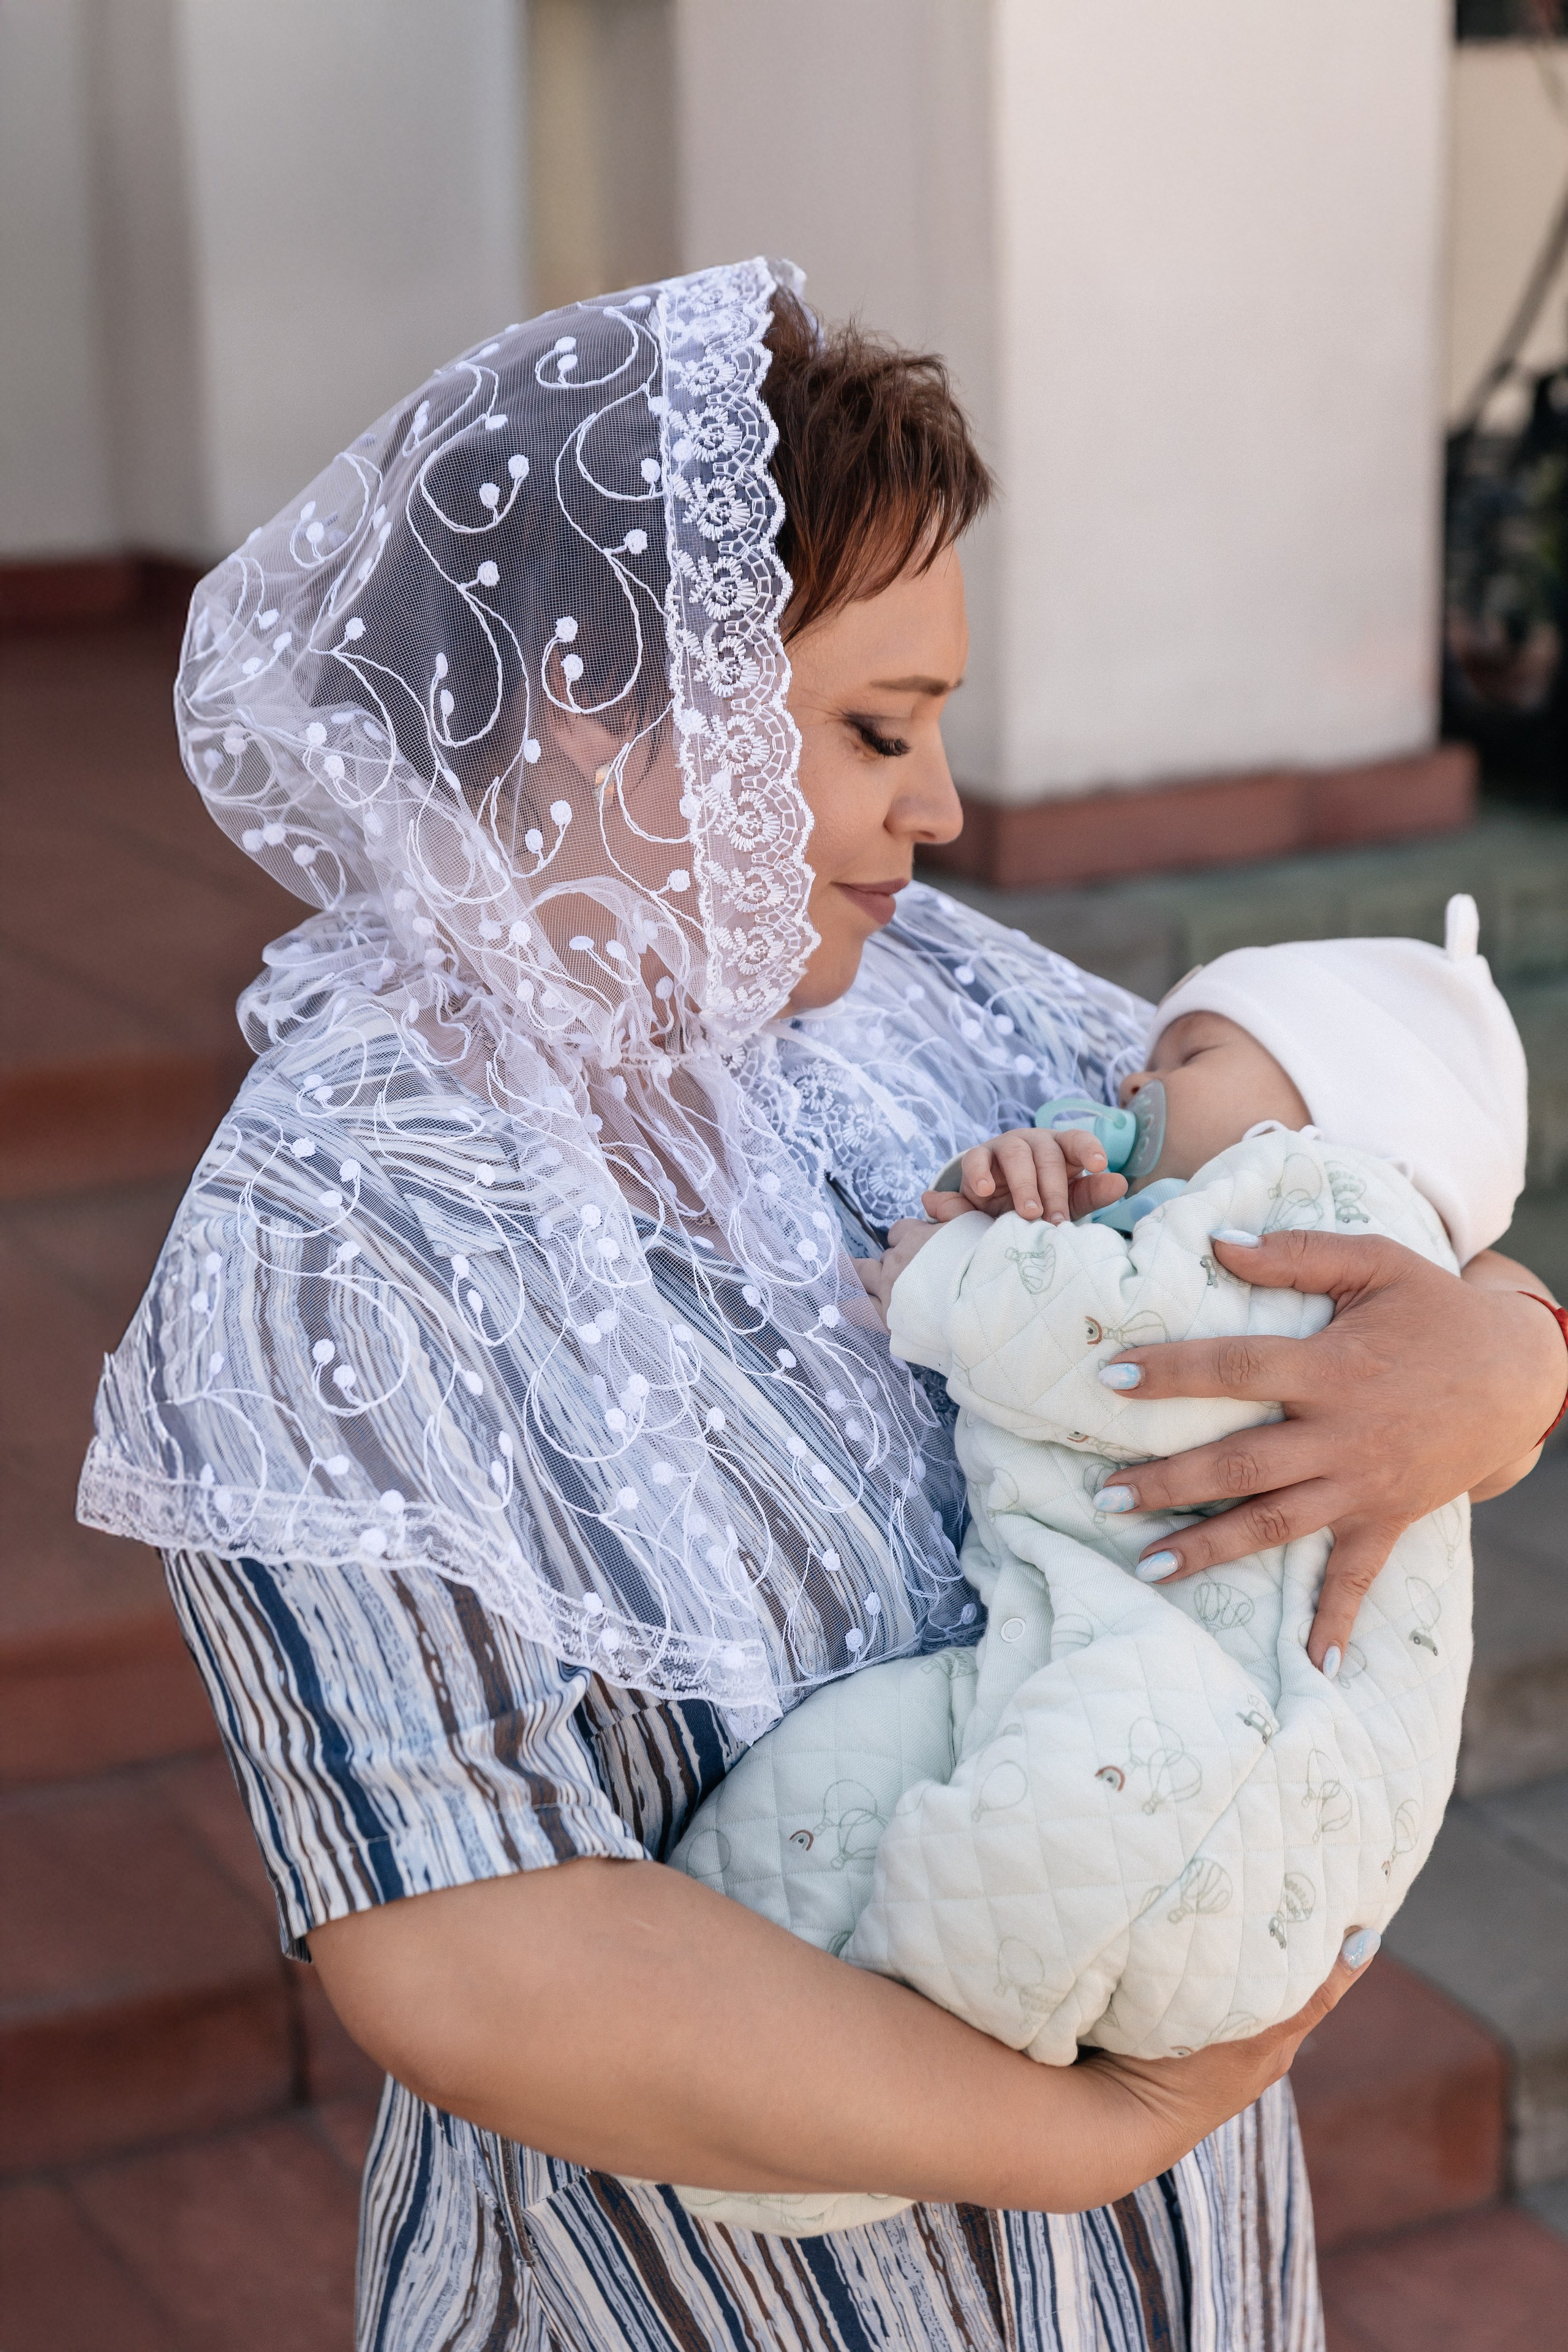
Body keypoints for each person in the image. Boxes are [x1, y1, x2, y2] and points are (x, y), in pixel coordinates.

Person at [77, 262, 1568, 2351]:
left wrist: (1501, 1356)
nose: (939, 809)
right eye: (878, 731)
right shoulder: (335, 1248)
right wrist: (1087, 2134)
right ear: (609, 710)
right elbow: (473, 1957)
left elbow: (1349, 1167)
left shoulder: (928, 998)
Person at [668, 900, 1537, 2239]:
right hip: (1082, 1654)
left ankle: (847, 2116)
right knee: (855, 1762)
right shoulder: (1208, 1199)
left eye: (1185, 1059)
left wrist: (954, 1277)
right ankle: (707, 2034)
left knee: (1063, 1799)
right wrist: (1032, 1190)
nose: (1133, 1081)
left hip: (1228, 1762)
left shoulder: (1323, 1211)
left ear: (1329, 1100)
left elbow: (1140, 1359)